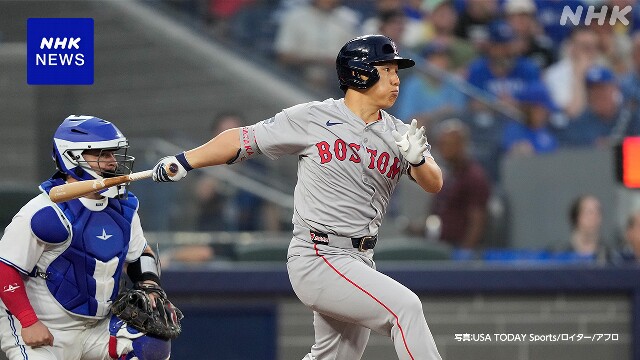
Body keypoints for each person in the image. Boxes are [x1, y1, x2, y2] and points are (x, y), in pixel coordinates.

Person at [151, 35, 443, 360]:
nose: (395, 79)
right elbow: (242, 139)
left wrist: (417, 160)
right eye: (387, 69)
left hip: (360, 259)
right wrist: (185, 160)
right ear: (360, 73)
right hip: (318, 254)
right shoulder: (313, 117)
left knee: (335, 356)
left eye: (396, 71)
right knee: (405, 309)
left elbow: (434, 183)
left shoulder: (399, 132)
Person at [0, 116, 175, 359]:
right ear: (72, 157)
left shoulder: (124, 208)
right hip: (43, 327)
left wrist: (149, 284)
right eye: (103, 154)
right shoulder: (43, 212)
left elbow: (140, 254)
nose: (113, 162)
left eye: (113, 154)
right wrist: (29, 322)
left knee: (152, 344)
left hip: (97, 327)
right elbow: (5, 270)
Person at [429, 118, 491, 249]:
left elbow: (477, 222)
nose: (442, 149)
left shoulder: (474, 177)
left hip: (457, 252)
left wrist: (464, 257)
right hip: (440, 246)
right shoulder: (449, 175)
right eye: (441, 144)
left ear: (461, 145)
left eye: (447, 144)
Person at [501, 81, 559, 156]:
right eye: (540, 110)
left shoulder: (548, 133)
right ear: (529, 109)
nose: (545, 114)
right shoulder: (513, 131)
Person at [558, 194, 609, 263]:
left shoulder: (609, 255)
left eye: (598, 213)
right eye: (589, 213)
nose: (594, 218)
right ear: (577, 217)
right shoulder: (560, 254)